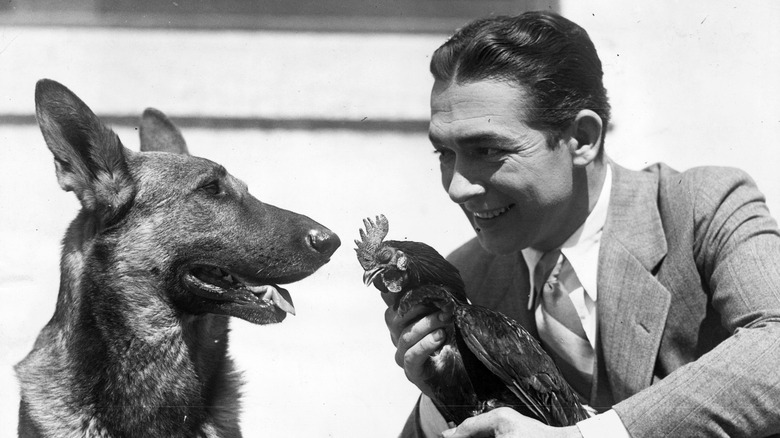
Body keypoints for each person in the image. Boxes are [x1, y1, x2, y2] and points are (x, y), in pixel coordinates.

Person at [382, 11, 780, 438]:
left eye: (488, 150)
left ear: (583, 139)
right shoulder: (469, 278)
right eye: (444, 153)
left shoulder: (702, 207)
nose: (457, 188)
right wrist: (445, 394)